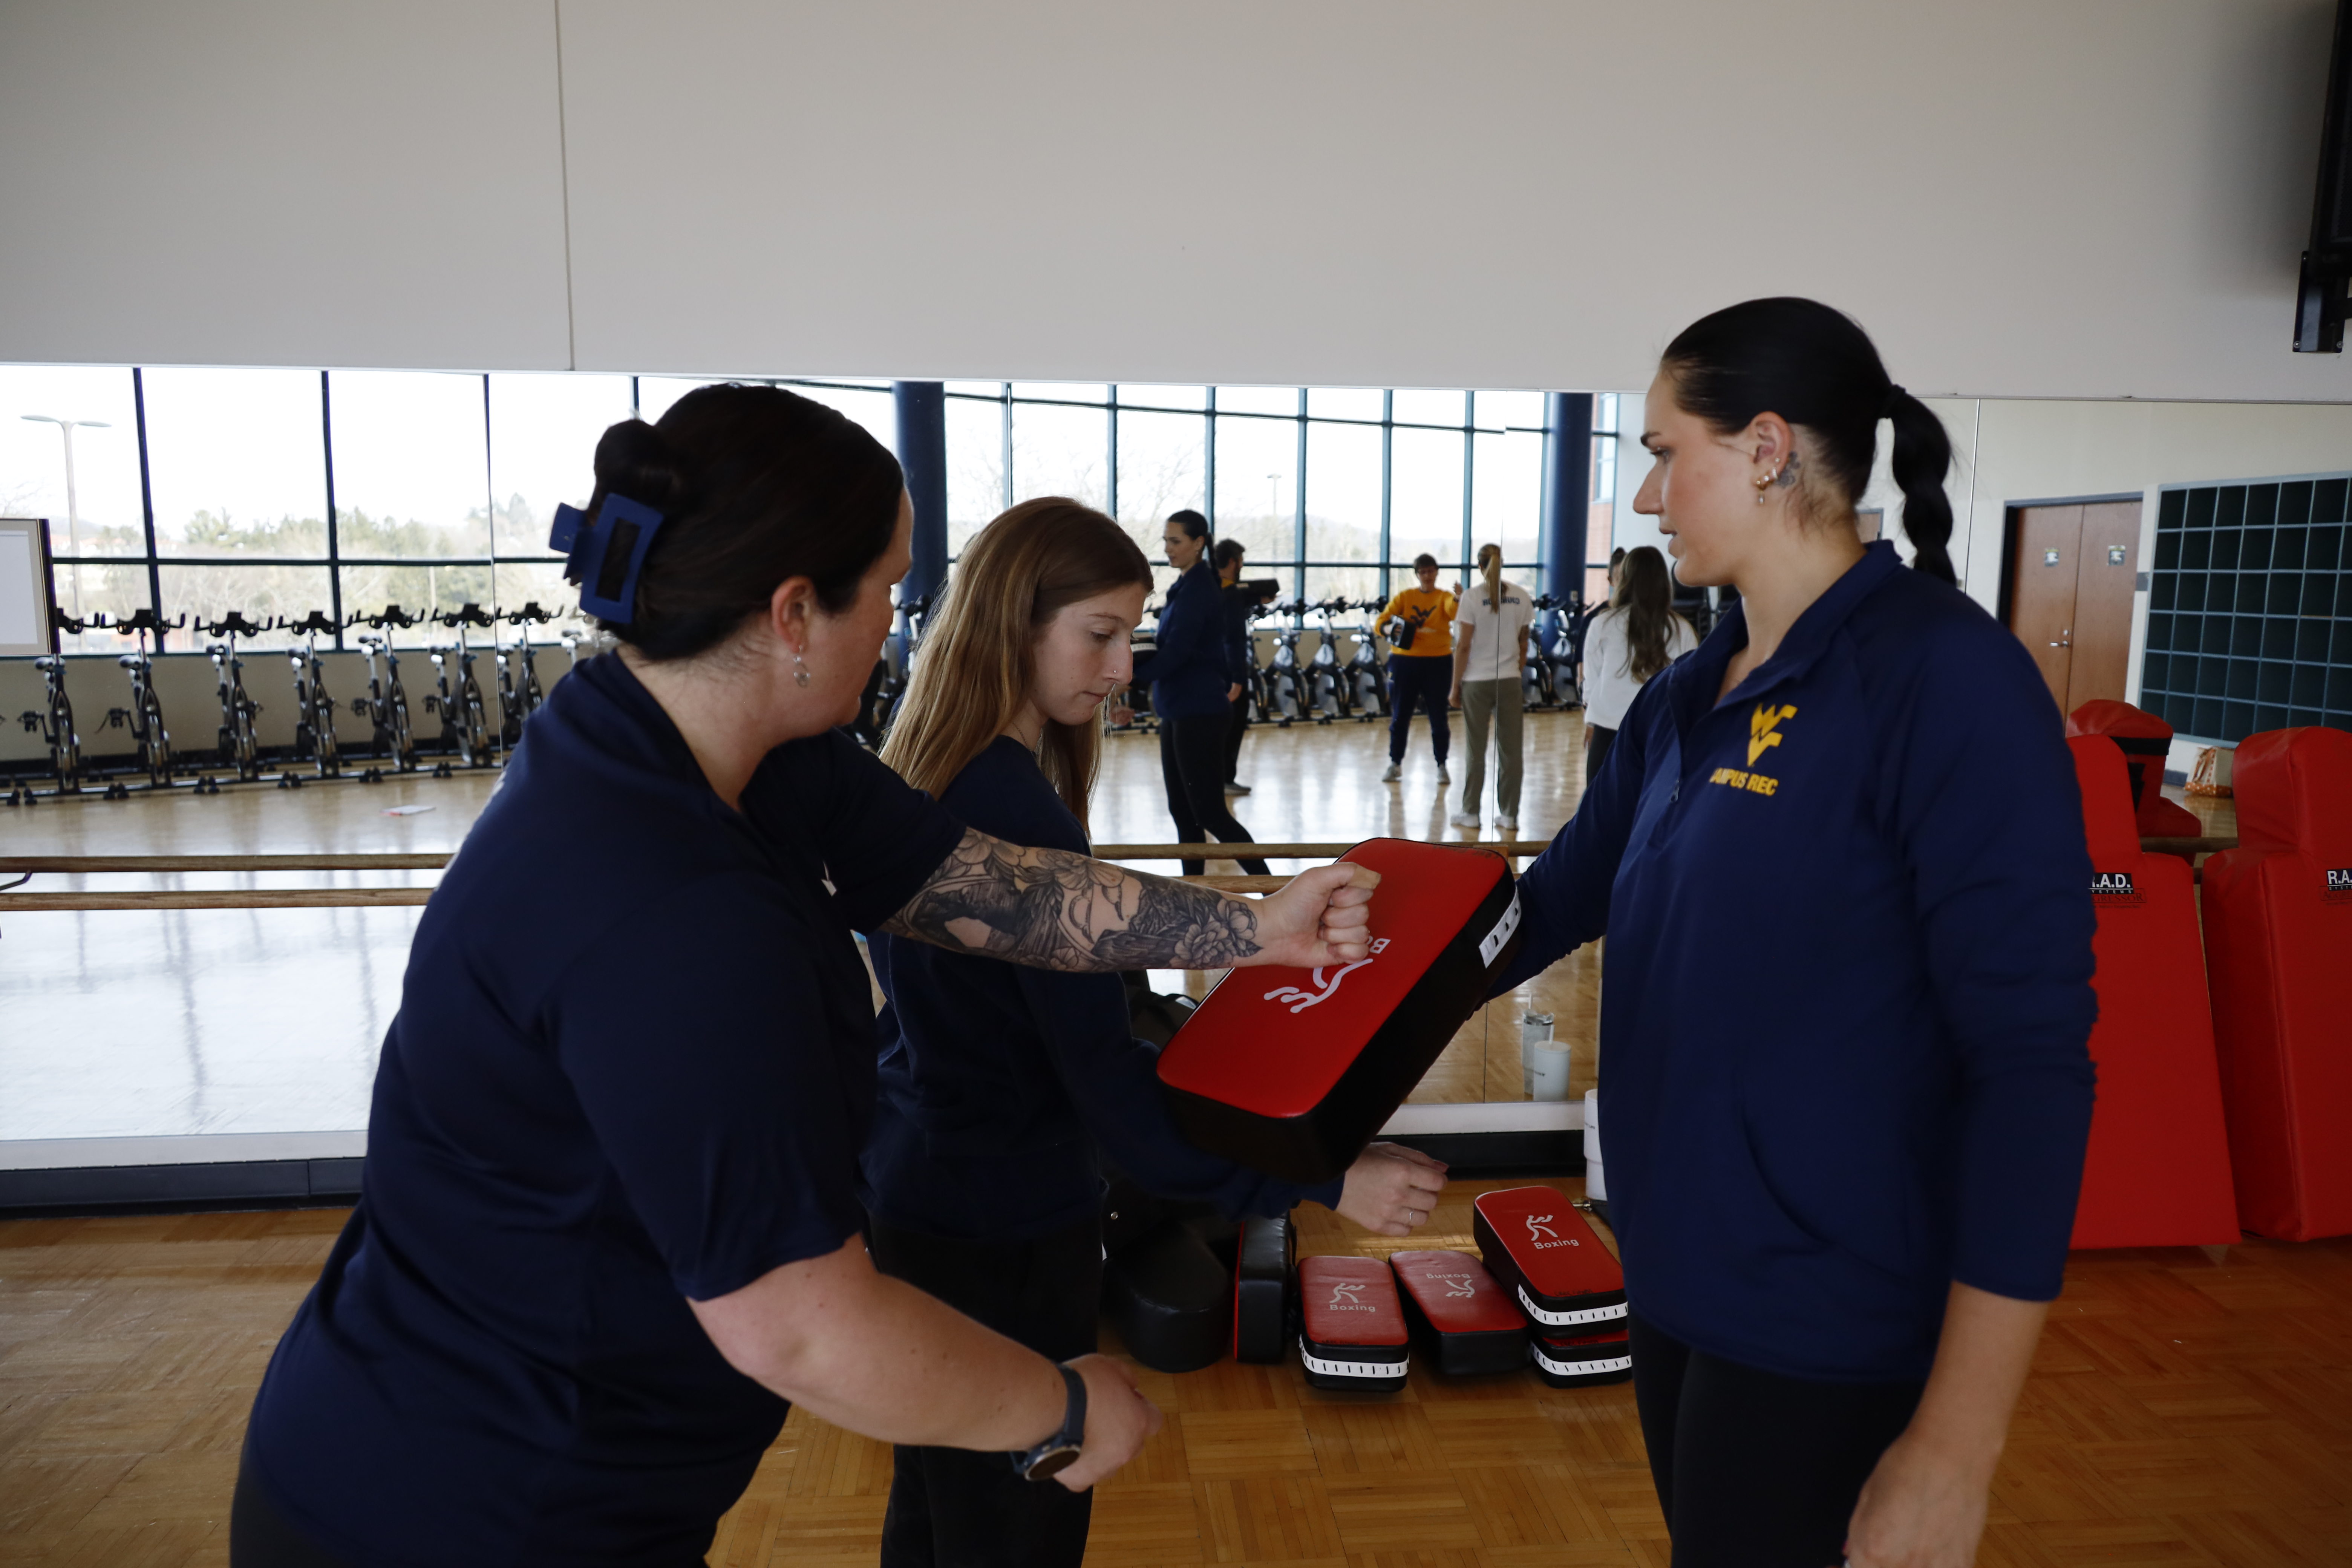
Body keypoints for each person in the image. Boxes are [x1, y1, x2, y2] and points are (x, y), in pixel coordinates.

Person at [230, 389, 1378, 1568]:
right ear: (793, 613)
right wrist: (1064, 1403)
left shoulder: (718, 751)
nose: (895, 621)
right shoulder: (671, 911)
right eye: (882, 588)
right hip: (465, 1504)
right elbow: (803, 1329)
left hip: (540, 1456)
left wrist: (1252, 928)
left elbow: (996, 891)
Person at [1498, 299, 2097, 1568]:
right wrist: (1324, 1000)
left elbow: (2033, 1069)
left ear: (1768, 446)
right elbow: (1546, 905)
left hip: (1829, 1307)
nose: (1652, 499)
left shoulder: (1946, 679)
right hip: (1673, 1274)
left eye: (1669, 453)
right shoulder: (1685, 692)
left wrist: (1959, 1446)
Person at [870, 498, 1450, 1568]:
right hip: (998, 1234)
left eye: (1129, 637)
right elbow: (1116, 1102)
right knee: (1015, 1530)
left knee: (943, 1511)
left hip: (921, 1203)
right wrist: (1323, 1180)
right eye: (1098, 635)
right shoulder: (1014, 810)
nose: (1123, 669)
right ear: (1011, 622)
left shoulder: (930, 779)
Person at [1136, 509, 1268, 876]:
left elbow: (1177, 653)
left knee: (1210, 813)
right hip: (1177, 710)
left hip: (1200, 713)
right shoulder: (1183, 587)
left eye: (1175, 541)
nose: (1168, 548)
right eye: (1165, 540)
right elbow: (1167, 649)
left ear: (1198, 544)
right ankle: (1191, 889)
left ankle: (1272, 887)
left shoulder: (1198, 590)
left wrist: (1128, 677)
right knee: (1182, 810)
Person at [1580, 545, 1697, 784]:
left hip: (1608, 732)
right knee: (1647, 816)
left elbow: (1590, 683)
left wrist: (1590, 722)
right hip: (1659, 734)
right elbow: (1691, 687)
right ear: (1663, 581)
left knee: (1602, 816)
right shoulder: (1681, 629)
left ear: (1625, 579)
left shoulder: (1602, 624)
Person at [1447, 544, 1534, 833]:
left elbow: (1463, 647)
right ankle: (1509, 815)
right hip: (1509, 681)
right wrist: (1514, 673)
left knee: (1476, 750)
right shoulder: (1521, 597)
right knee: (1511, 752)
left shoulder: (1471, 598)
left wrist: (1454, 686)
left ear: (1479, 565)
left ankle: (1471, 812)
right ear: (1502, 563)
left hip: (1476, 682)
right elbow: (1524, 644)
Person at [1377, 553, 1458, 784]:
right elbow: (1381, 623)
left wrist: (1459, 599)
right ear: (1417, 575)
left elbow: (1453, 611)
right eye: (1423, 572)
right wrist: (1389, 631)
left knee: (1438, 717)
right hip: (1405, 663)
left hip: (1438, 662)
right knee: (1400, 715)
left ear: (1437, 572)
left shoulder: (1444, 596)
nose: (1428, 576)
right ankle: (1395, 763)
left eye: (1431, 571)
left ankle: (1441, 764)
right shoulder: (1405, 597)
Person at [1212, 536, 1258, 795]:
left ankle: (1218, 779)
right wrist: (1239, 679)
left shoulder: (1209, 587)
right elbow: (1233, 638)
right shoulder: (1230, 593)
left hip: (1213, 669)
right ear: (1233, 562)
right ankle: (1225, 780)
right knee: (1234, 724)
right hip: (1230, 673)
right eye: (1241, 561)